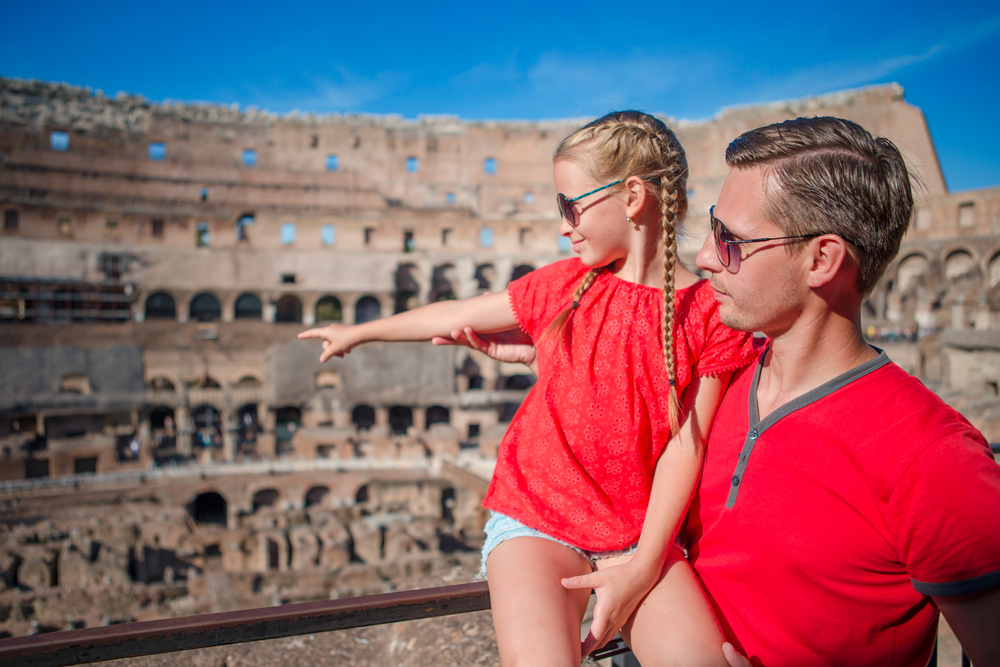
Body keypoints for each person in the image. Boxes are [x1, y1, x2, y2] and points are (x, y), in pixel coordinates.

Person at [442, 116, 1000, 667]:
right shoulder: (714, 381)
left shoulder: (933, 459)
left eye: (731, 240)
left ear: (821, 259)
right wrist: (557, 354)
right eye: (712, 227)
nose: (704, 256)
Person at [299, 110, 757, 666]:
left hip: (638, 533)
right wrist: (361, 332)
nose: (563, 224)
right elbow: (458, 314)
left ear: (633, 196)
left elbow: (688, 443)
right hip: (537, 516)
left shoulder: (708, 313)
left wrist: (643, 563)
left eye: (571, 205)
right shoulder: (564, 285)